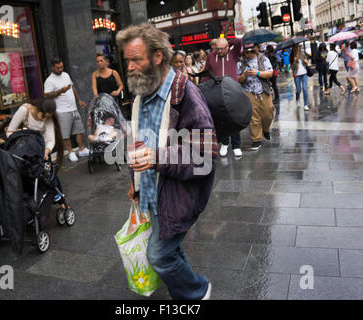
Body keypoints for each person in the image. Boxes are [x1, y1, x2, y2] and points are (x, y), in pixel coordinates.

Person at [117, 23, 217, 300]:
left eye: (137, 59)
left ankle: (197, 291)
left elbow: (204, 156)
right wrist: (133, 182)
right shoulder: (141, 93)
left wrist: (156, 158)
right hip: (150, 193)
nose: (130, 66)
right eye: (127, 60)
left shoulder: (186, 94)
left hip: (176, 193)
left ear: (157, 57)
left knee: (158, 256)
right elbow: (139, 143)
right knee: (170, 249)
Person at [203, 36, 243, 158]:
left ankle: (236, 145)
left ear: (227, 47)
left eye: (221, 49)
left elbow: (238, 41)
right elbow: (206, 73)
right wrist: (203, 89)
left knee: (235, 119)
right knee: (221, 119)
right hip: (217, 93)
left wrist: (225, 41)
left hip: (233, 92)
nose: (218, 51)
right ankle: (225, 143)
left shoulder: (233, 54)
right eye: (217, 48)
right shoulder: (211, 56)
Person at [44, 58, 89, 162]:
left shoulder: (66, 75)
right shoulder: (49, 81)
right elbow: (47, 96)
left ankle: (82, 149)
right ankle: (71, 152)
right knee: (65, 134)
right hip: (62, 111)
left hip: (73, 108)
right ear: (52, 67)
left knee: (79, 130)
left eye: (61, 67)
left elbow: (72, 88)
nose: (60, 69)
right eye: (58, 68)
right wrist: (60, 91)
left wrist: (79, 101)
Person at [237, 43, 274, 151]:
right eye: (246, 53)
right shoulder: (241, 63)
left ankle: (266, 129)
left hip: (263, 90)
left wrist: (257, 73)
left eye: (250, 52)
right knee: (254, 116)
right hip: (249, 92)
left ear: (254, 51)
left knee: (268, 113)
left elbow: (270, 73)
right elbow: (238, 79)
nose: (248, 55)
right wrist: (244, 75)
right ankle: (256, 139)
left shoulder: (263, 59)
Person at [6, 98, 64, 165]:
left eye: (47, 118)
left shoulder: (49, 118)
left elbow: (51, 141)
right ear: (37, 109)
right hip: (23, 148)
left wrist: (46, 152)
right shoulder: (24, 110)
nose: (44, 120)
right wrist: (19, 146)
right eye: (43, 116)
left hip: (41, 149)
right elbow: (10, 132)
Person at [290, 44, 310, 111]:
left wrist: (306, 62)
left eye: (298, 47)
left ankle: (305, 105)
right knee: (298, 90)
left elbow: (307, 62)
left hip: (304, 73)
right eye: (296, 47)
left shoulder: (302, 54)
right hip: (297, 75)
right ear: (293, 48)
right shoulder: (291, 56)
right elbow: (292, 68)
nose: (297, 48)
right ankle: (297, 98)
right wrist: (294, 61)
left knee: (305, 89)